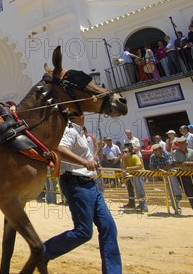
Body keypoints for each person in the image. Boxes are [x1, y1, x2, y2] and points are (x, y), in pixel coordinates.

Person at [43, 117, 122, 274]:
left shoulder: (80, 133)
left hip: (90, 185)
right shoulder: (69, 130)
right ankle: (43, 251)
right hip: (76, 183)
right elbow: (60, 149)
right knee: (84, 232)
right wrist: (84, 163)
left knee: (108, 227)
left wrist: (90, 161)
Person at [149, 143, 182, 214]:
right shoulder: (153, 156)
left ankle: (178, 194)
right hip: (163, 175)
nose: (155, 152)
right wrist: (160, 171)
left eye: (156, 150)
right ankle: (177, 209)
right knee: (170, 192)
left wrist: (163, 170)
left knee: (172, 177)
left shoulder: (167, 154)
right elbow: (151, 167)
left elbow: (170, 164)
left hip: (171, 172)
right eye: (154, 151)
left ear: (160, 149)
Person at [120, 146, 148, 212]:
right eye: (123, 152)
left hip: (139, 175)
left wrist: (128, 168)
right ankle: (141, 205)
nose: (124, 153)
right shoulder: (125, 159)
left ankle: (144, 207)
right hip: (132, 175)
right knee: (137, 191)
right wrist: (123, 160)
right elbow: (123, 167)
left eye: (126, 152)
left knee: (140, 190)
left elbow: (139, 166)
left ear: (130, 152)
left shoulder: (135, 157)